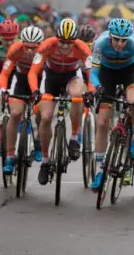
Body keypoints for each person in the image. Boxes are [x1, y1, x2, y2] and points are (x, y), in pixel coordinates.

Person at [88, 18, 134, 191]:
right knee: (102, 122)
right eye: (116, 39)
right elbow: (93, 73)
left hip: (129, 72)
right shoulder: (100, 44)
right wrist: (98, 87)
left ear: (128, 38)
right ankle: (99, 171)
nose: (119, 44)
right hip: (107, 75)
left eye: (123, 40)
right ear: (110, 36)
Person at [29, 19, 93, 186]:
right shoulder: (47, 45)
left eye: (69, 43)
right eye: (62, 42)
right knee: (45, 118)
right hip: (51, 78)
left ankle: (74, 137)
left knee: (78, 94)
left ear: (75, 41)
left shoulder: (82, 48)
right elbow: (33, 71)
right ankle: (45, 161)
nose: (65, 46)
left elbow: (92, 72)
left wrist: (91, 91)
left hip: (72, 76)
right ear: (57, 39)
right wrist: (35, 90)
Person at [0, 26, 45, 172]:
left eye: (34, 48)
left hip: (41, 80)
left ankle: (38, 141)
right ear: (22, 43)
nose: (30, 51)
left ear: (40, 45)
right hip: (21, 81)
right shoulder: (15, 49)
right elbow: (5, 74)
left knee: (42, 113)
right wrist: (3, 89)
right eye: (27, 47)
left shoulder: (46, 51)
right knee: (15, 113)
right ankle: (10, 155)